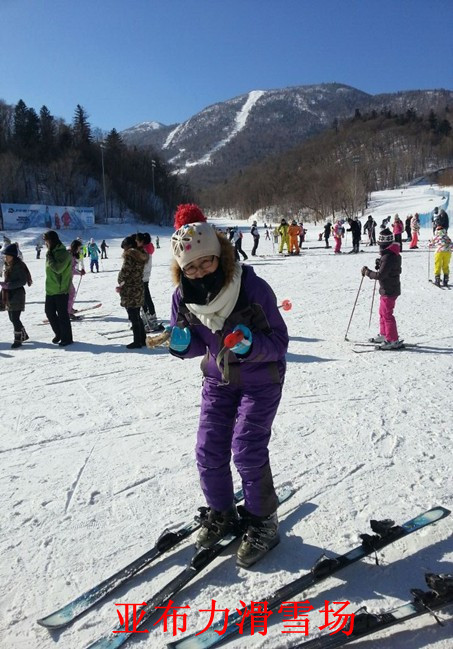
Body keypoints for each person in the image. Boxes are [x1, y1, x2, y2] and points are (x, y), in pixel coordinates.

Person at [167, 204, 288, 568]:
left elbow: (279, 343)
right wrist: (181, 345)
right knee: (208, 449)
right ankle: (222, 513)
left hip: (260, 379)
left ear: (219, 256)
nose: (200, 271)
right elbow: (195, 345)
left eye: (206, 262)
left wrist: (251, 345)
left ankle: (263, 521)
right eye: (190, 267)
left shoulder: (250, 288)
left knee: (246, 449)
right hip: (218, 379)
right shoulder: (182, 297)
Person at [361, 228, 403, 350]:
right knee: (382, 313)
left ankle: (392, 339)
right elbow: (389, 269)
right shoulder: (391, 254)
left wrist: (368, 272)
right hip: (388, 288)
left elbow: (381, 275)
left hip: (389, 290)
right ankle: (385, 334)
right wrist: (380, 263)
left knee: (387, 314)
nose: (379, 247)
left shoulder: (388, 256)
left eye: (380, 245)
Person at [116, 236, 148, 349]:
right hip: (138, 286)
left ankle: (137, 341)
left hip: (130, 288)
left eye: (124, 247)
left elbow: (125, 271)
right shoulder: (141, 255)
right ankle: (142, 339)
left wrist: (120, 282)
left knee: (133, 315)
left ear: (129, 246)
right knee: (137, 314)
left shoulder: (130, 256)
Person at [43, 230, 73, 346]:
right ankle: (59, 333)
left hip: (61, 289)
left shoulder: (64, 253)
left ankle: (67, 338)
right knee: (49, 312)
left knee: (62, 315)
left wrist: (50, 258)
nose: (45, 243)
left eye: (46, 241)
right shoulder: (50, 253)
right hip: (51, 289)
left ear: (51, 241)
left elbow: (58, 269)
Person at [0, 243, 32, 348]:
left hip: (17, 295)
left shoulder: (18, 266)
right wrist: (5, 285)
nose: (5, 257)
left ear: (13, 256)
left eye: (7, 255)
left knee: (15, 318)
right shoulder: (9, 265)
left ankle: (18, 339)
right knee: (12, 318)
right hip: (9, 295)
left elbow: (22, 281)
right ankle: (24, 335)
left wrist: (8, 285)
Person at [136, 232, 161, 331]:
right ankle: (147, 320)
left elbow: (140, 265)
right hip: (144, 276)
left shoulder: (144, 251)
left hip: (142, 277)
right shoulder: (147, 249)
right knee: (144, 298)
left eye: (137, 241)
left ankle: (151, 321)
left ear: (142, 241)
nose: (136, 242)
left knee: (146, 299)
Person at [68, 240, 86, 318]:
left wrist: (79, 272)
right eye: (79, 248)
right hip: (65, 279)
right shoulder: (70, 256)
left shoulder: (71, 255)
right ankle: (68, 311)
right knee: (71, 293)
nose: (80, 249)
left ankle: (69, 308)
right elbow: (70, 270)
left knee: (70, 293)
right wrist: (79, 272)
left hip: (67, 278)